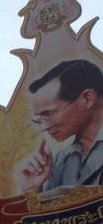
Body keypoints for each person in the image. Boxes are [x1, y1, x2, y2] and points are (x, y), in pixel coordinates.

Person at [16, 58, 103, 195]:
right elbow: (55, 209)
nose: (43, 127)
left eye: (47, 113)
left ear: (88, 98)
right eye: (39, 119)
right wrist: (33, 189)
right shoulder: (60, 161)